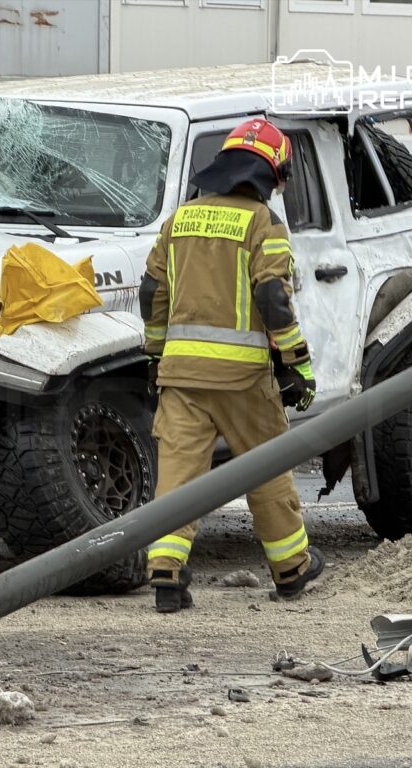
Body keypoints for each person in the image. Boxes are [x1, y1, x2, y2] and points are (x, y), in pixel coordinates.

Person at [140, 117, 321, 613]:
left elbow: (151, 292)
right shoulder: (264, 223)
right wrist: (295, 363)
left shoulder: (180, 221)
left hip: (180, 375)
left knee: (176, 475)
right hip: (243, 379)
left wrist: (157, 354)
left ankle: (165, 573)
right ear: (270, 174)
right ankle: (291, 569)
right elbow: (272, 298)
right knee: (268, 468)